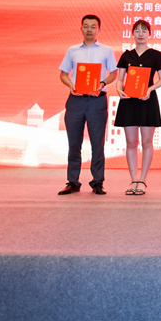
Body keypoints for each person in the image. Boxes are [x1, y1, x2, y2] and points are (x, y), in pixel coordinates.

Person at [58, 14, 117, 195]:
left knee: (97, 144)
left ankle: (97, 182)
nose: (89, 30)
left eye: (93, 26)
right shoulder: (72, 50)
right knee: (74, 143)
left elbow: (114, 73)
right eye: (86, 26)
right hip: (76, 100)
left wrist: (103, 83)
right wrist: (71, 85)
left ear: (99, 29)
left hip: (97, 101)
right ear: (81, 28)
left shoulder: (106, 50)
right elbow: (63, 74)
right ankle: (73, 181)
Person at [114, 20, 161, 195]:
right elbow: (120, 79)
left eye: (144, 31)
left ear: (149, 34)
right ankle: (133, 179)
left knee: (146, 142)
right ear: (133, 33)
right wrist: (119, 89)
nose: (141, 34)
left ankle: (142, 180)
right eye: (137, 31)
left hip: (147, 101)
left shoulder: (155, 55)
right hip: (128, 101)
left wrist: (150, 89)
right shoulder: (126, 55)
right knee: (131, 142)